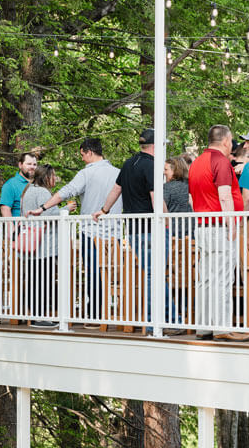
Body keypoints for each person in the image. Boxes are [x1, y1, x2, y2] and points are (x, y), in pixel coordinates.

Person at [27, 138, 120, 323]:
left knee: (94, 272)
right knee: (110, 273)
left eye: (83, 155)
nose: (82, 159)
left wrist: (43, 208)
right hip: (114, 232)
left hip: (91, 231)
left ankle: (94, 314)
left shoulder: (87, 173)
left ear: (89, 152)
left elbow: (68, 191)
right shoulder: (118, 172)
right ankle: (108, 312)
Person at [189, 125, 247, 340]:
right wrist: (232, 224)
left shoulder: (196, 163)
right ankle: (222, 327)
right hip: (219, 226)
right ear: (225, 141)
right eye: (231, 140)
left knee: (205, 278)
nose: (232, 144)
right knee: (222, 277)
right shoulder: (220, 161)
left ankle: (204, 327)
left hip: (202, 226)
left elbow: (191, 198)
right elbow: (224, 195)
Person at [93, 128, 157, 323]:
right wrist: (164, 221)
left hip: (132, 228)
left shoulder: (128, 164)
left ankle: (152, 316)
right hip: (149, 227)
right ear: (154, 146)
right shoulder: (152, 166)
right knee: (153, 273)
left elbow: (117, 188)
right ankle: (153, 317)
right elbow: (155, 196)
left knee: (148, 272)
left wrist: (104, 210)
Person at [19, 164, 76, 327]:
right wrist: (67, 208)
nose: (55, 179)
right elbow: (49, 214)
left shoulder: (28, 191)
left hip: (32, 243)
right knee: (43, 279)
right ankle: (39, 316)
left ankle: (34, 312)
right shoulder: (42, 192)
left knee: (33, 278)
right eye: (53, 176)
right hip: (44, 245)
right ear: (46, 177)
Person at [0, 152, 37, 217]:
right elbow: (5, 209)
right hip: (19, 226)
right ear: (20, 165)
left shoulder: (38, 183)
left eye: (34, 164)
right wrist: (11, 227)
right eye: (29, 164)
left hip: (39, 225)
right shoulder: (10, 184)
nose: (32, 167)